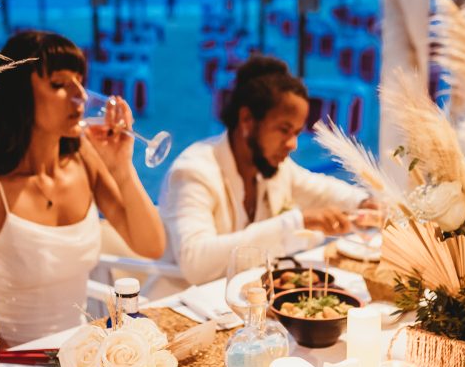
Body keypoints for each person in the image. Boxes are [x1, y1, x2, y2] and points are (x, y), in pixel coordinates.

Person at [0, 31, 165, 347]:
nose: (81, 96)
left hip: (83, 354)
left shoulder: (84, 159)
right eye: (60, 85)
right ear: (19, 94)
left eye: (80, 80)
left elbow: (151, 245)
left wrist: (122, 168)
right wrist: (20, 365)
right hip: (13, 361)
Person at [159, 56, 371, 285]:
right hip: (183, 303)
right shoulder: (194, 171)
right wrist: (296, 222)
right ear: (247, 119)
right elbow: (196, 264)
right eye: (284, 130)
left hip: (246, 301)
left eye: (297, 133)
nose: (293, 144)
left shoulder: (272, 165)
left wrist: (366, 204)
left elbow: (322, 190)